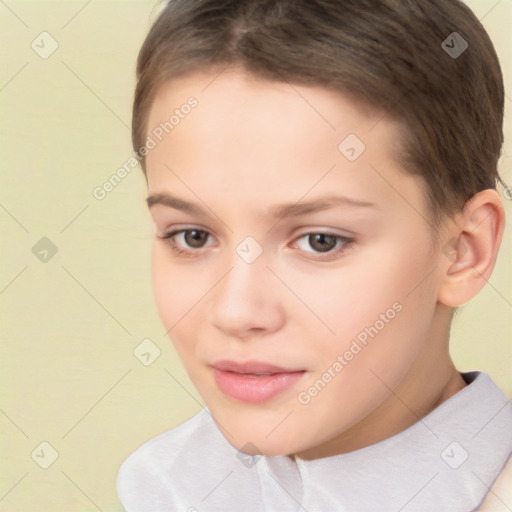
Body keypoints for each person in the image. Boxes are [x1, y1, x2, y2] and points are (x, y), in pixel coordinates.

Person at [117, 0, 512, 510]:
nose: (235, 312)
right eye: (192, 236)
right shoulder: (161, 488)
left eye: (319, 241)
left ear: (464, 251)